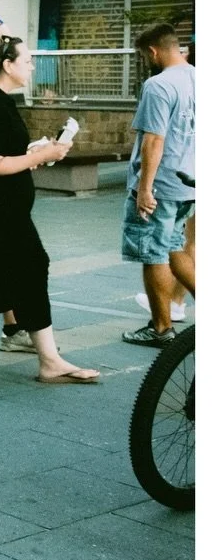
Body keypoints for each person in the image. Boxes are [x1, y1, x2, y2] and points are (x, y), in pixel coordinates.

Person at [0, 28, 99, 384]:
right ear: (7, 65)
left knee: (24, 270)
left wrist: (34, 153)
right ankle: (47, 359)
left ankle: (49, 359)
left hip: (4, 212)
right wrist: (44, 154)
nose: (32, 67)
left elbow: (0, 152)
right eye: (28, 61)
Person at [121, 23, 196, 347]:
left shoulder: (158, 85)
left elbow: (153, 140)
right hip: (188, 183)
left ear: (152, 51)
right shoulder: (198, 77)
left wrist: (145, 189)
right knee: (176, 247)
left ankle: (161, 328)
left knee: (153, 254)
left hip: (161, 185)